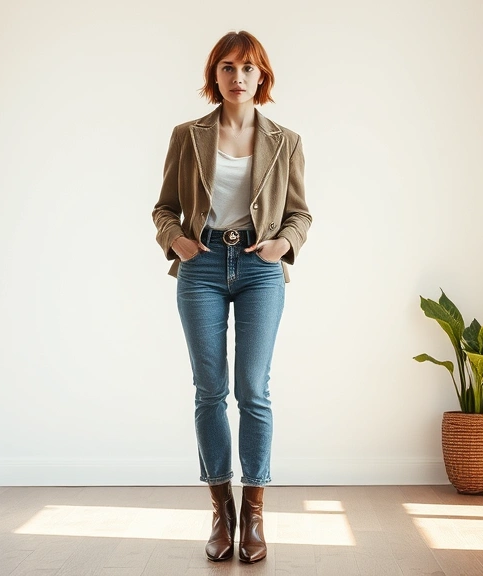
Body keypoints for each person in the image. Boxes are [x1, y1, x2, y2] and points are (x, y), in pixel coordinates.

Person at [151, 30, 311, 563]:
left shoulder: (285, 140)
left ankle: (256, 512)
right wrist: (176, 240)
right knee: (209, 390)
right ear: (213, 75)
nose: (237, 77)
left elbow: (300, 214)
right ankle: (222, 510)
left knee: (253, 391)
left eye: (247, 67)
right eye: (227, 67)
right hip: (200, 266)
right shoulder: (187, 135)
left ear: (261, 75)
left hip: (260, 268)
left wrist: (283, 244)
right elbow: (164, 207)